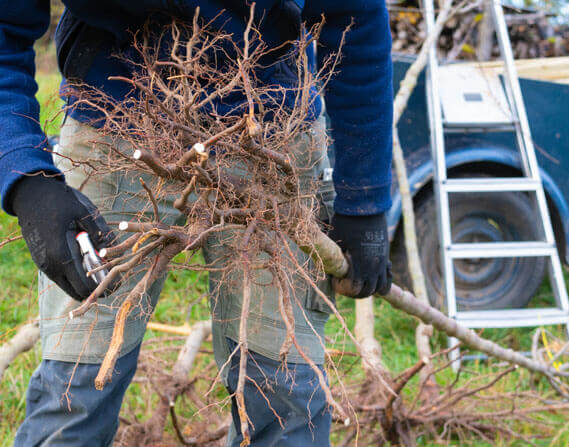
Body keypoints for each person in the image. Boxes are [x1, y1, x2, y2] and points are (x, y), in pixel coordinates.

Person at [0, 1, 393, 445]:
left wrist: (366, 202)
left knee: (284, 399)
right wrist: (27, 178)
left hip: (273, 141)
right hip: (113, 127)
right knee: (73, 394)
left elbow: (354, 19)